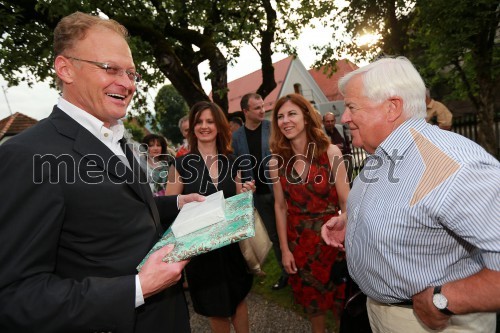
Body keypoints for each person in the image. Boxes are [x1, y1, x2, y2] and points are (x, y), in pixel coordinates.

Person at [0, 12, 205, 333]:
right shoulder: (27, 155)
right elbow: (14, 296)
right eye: (110, 68)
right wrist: (137, 288)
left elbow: (117, 208)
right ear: (65, 68)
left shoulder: (116, 138)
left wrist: (179, 204)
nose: (127, 83)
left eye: (131, 72)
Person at [322, 56, 500, 332]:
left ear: (392, 107)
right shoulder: (381, 154)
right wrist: (353, 221)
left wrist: (444, 300)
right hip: (380, 313)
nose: (343, 118)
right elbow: (402, 209)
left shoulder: (453, 165)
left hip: (431, 322)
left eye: (351, 107)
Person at [166, 101, 255, 333]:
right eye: (199, 122)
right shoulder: (181, 165)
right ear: (192, 127)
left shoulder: (232, 161)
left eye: (210, 121)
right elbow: (169, 208)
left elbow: (237, 205)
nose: (204, 126)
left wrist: (246, 194)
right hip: (201, 251)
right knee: (216, 308)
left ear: (219, 126)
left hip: (231, 248)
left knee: (238, 300)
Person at [268, 93, 350, 333]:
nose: (285, 120)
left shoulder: (330, 152)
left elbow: (347, 201)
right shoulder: (277, 161)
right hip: (299, 246)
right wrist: (284, 250)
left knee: (343, 307)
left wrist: (345, 232)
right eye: (280, 116)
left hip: (333, 241)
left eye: (292, 113)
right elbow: (280, 207)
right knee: (314, 310)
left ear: (305, 116)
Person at [232, 92, 289, 290]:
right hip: (258, 196)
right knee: (274, 236)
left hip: (281, 190)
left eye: (263, 106)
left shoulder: (272, 127)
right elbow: (237, 168)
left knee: (290, 231)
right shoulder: (237, 137)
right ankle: (286, 273)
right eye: (257, 108)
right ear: (245, 111)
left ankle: (301, 271)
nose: (262, 110)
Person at [323, 112, 353, 182]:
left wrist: (349, 156)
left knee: (349, 180)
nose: (330, 123)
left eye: (332, 121)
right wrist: (333, 148)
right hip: (331, 162)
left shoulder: (340, 128)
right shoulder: (321, 132)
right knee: (337, 182)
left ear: (335, 121)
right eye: (327, 121)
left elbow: (347, 142)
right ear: (323, 122)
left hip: (345, 158)